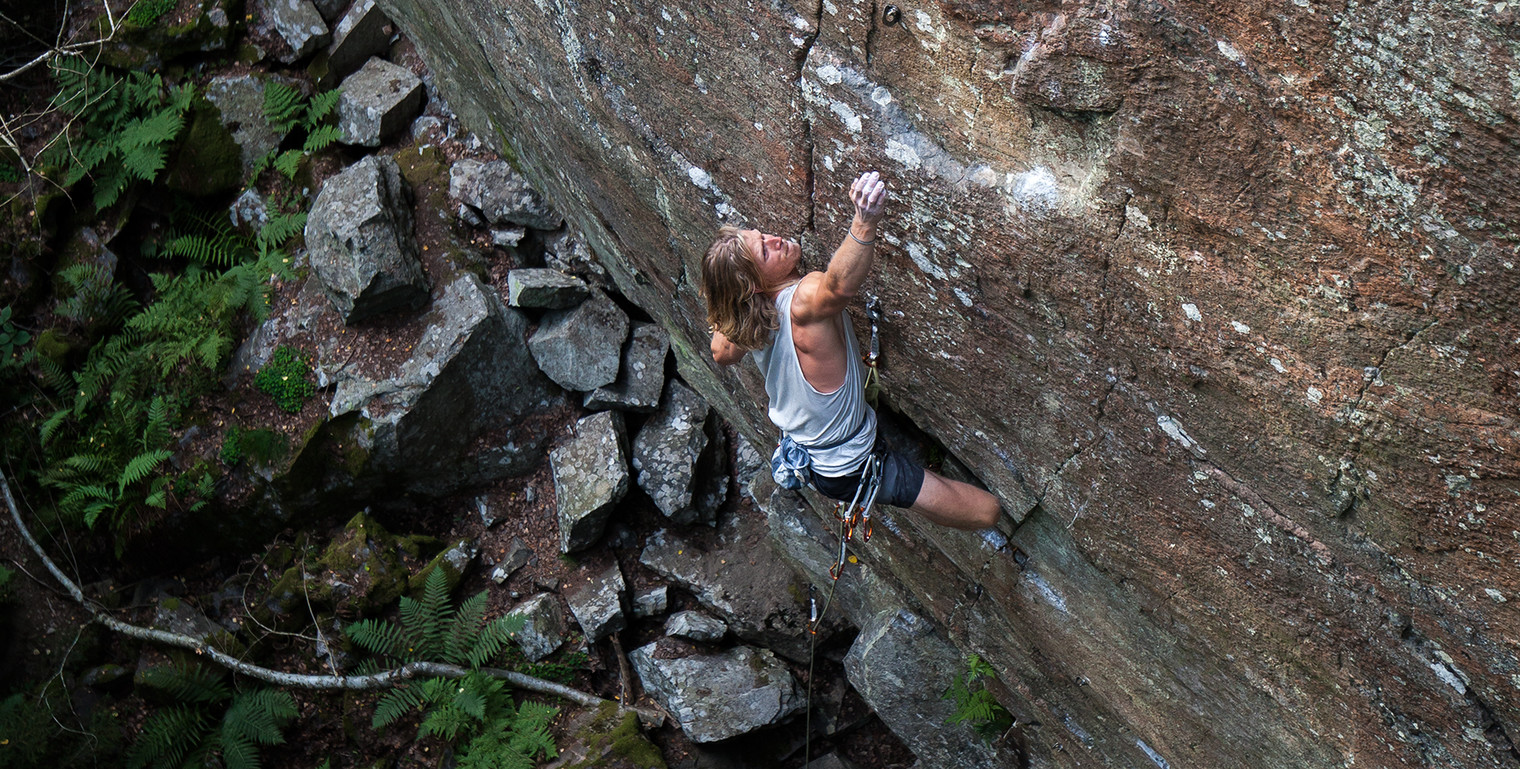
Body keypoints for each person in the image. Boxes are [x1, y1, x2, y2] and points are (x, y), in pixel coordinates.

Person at [701, 171, 1001, 531]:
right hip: (851, 465)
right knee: (988, 511)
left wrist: (730, 300)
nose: (775, 239)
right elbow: (836, 289)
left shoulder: (745, 318)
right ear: (754, 286)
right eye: (765, 251)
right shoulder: (800, 302)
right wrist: (864, 221)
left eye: (761, 235)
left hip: (810, 455)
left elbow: (721, 353)